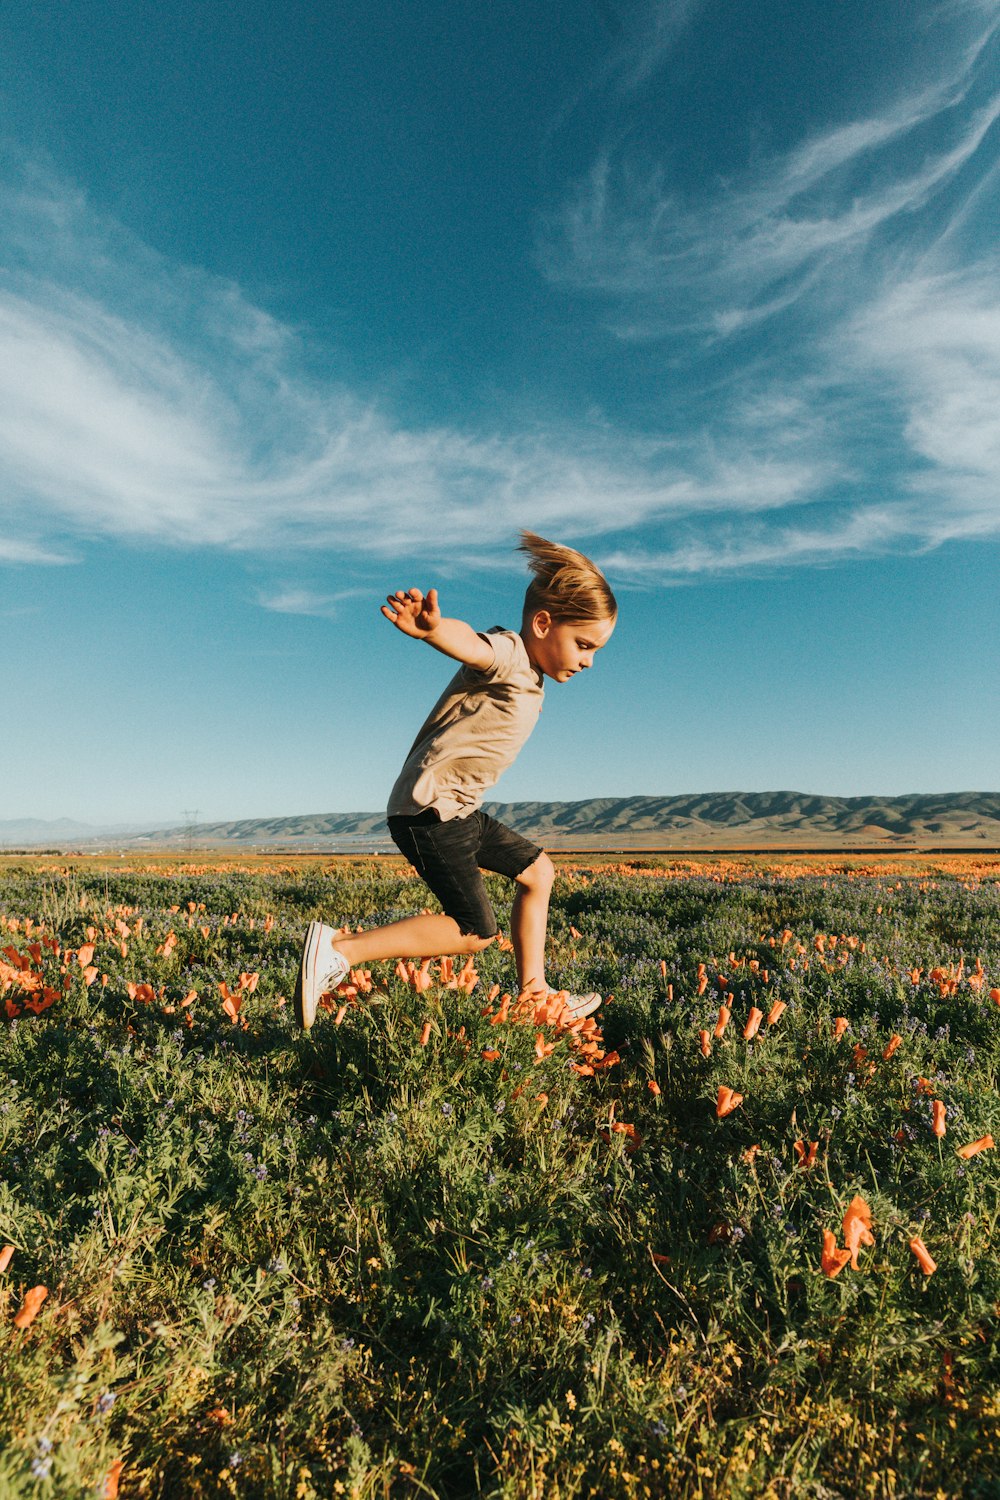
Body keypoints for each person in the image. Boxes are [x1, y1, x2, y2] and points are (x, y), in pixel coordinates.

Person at [293, 530, 616, 1029]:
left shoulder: (530, 677)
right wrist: (434, 631)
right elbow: (474, 645)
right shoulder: (511, 655)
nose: (589, 660)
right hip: (430, 811)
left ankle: (533, 993)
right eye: (584, 644)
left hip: (456, 810)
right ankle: (339, 951)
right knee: (474, 931)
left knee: (538, 872)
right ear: (543, 623)